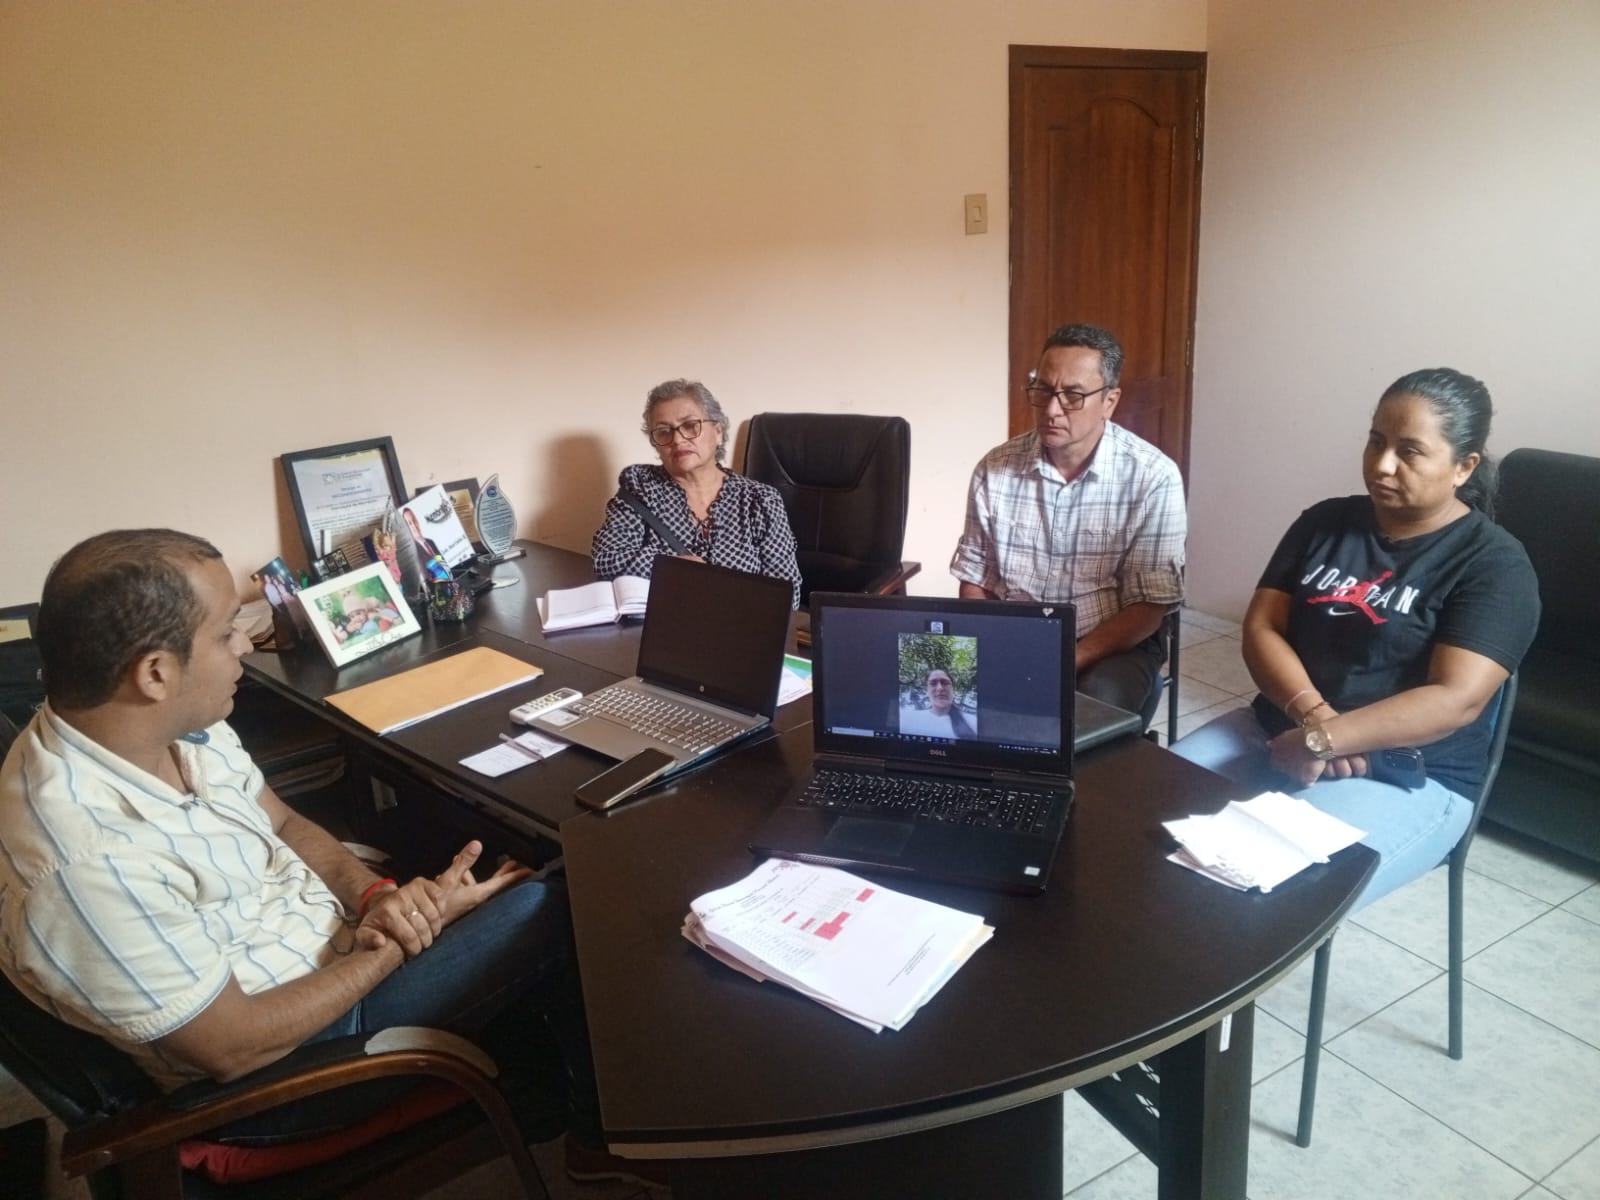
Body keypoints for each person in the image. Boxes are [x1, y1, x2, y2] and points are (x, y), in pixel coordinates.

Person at [0, 529, 656, 1182]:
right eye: (226, 634)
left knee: (502, 851)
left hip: (332, 943)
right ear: (155, 673)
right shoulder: (87, 862)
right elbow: (234, 1047)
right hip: (294, 1067)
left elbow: (281, 821)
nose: (244, 646)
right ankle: (596, 1141)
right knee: (568, 900)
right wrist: (404, 937)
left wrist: (378, 897)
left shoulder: (164, 728)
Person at [1169, 369, 1540, 908]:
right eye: (1375, 442)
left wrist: (1325, 741)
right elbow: (1263, 627)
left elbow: (1455, 699)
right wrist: (1317, 723)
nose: (1382, 464)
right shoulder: (1324, 521)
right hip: (1277, 731)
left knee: (1253, 896)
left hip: (1406, 774)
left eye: (1409, 451)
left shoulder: (1494, 564)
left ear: (1464, 466)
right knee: (1136, 813)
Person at [950, 323, 1186, 717]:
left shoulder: (1153, 477)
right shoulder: (995, 469)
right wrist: (995, 642)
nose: (1051, 409)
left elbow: (1148, 607)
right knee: (942, 706)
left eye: (1073, 396)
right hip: (1018, 635)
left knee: (1081, 718)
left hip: (1110, 645)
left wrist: (1063, 661)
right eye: (1042, 390)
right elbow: (977, 579)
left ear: (1109, 401)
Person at [592, 379, 803, 608]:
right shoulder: (642, 487)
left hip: (738, 622)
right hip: (662, 619)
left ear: (718, 431)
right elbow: (607, 558)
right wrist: (672, 567)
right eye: (663, 432)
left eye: (690, 425)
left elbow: (787, 592)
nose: (677, 439)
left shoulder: (760, 500)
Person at [898, 668, 976, 739]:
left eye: (945, 683)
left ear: (953, 689)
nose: (940, 688)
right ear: (926, 690)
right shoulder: (910, 719)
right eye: (933, 683)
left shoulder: (973, 722)